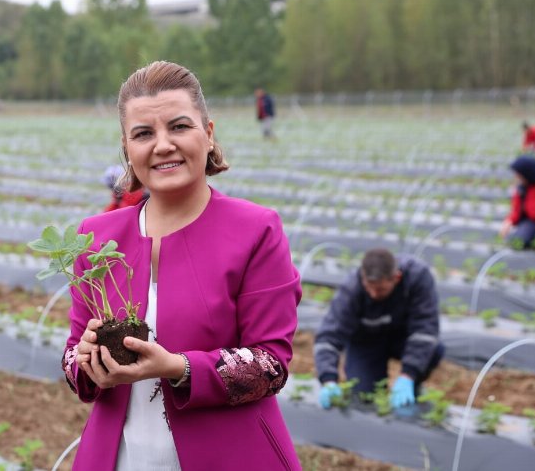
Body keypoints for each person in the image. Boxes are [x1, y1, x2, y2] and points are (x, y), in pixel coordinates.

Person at [62, 61, 302, 470]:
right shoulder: (96, 237)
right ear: (127, 148)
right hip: (121, 456)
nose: (162, 145)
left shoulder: (256, 230)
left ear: (208, 135)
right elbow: (72, 358)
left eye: (179, 126)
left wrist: (178, 367)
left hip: (230, 455)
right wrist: (85, 362)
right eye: (143, 134)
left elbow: (271, 365)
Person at [314, 248, 444, 410]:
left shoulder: (417, 277)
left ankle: (411, 387)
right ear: (363, 277)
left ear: (396, 278)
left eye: (381, 289)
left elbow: (425, 329)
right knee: (363, 397)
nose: (374, 294)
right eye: (369, 287)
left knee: (434, 349)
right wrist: (328, 380)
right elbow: (329, 336)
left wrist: (408, 375)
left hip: (402, 338)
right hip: (366, 342)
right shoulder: (352, 288)